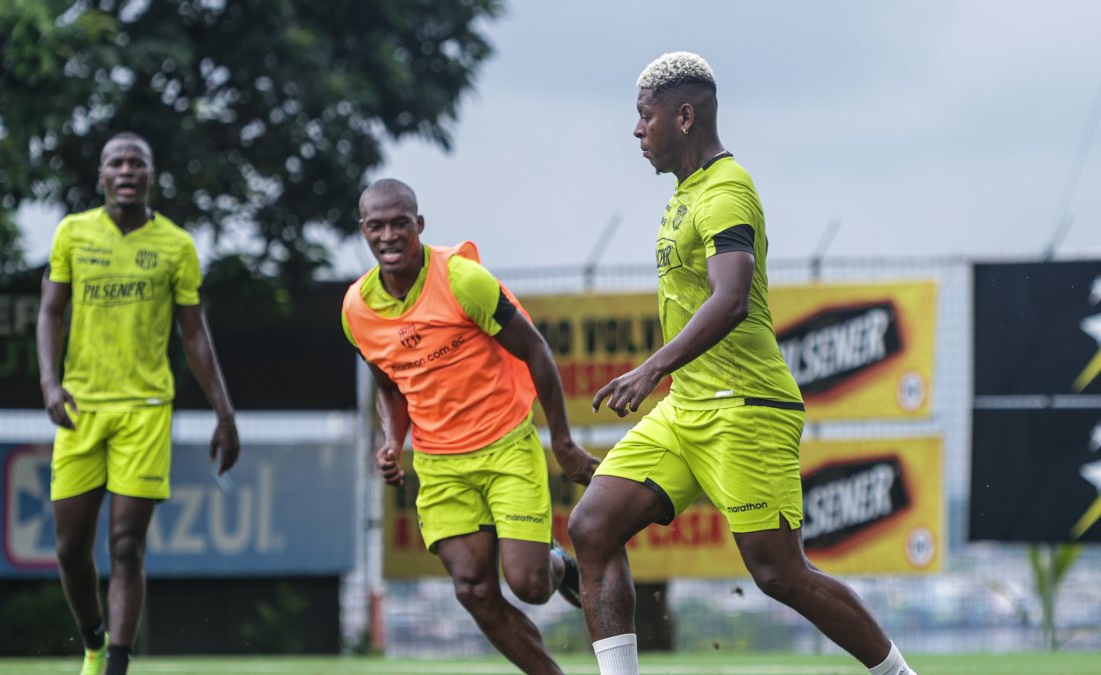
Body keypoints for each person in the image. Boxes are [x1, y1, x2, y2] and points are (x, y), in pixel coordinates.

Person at [569, 53, 918, 675]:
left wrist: (650, 369)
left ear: (683, 116)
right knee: (592, 527)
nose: (636, 130)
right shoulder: (687, 191)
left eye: (644, 117)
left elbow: (729, 301)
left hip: (747, 407)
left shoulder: (728, 190)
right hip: (688, 409)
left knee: (779, 574)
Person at [342, 178, 599, 674]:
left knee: (527, 584)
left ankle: (560, 565)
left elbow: (537, 351)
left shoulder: (463, 280)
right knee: (473, 590)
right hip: (439, 463)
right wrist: (393, 442)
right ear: (364, 232)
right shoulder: (357, 309)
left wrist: (563, 442)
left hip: (505, 445)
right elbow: (390, 385)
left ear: (419, 225)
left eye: (400, 224)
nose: (389, 236)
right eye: (377, 226)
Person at [36, 132, 239, 675]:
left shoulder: (176, 246)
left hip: (146, 410)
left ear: (150, 175)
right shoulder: (73, 234)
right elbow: (50, 313)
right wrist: (50, 386)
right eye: (116, 163)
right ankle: (93, 639)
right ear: (101, 175)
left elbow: (195, 337)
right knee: (70, 550)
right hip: (81, 410)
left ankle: (117, 667)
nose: (127, 170)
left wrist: (225, 413)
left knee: (126, 546)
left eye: (137, 163)